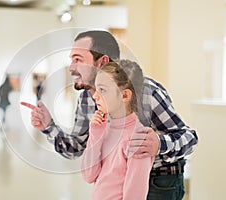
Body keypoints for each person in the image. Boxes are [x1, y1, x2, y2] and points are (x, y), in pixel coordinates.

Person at [21, 30, 198, 199]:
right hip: (116, 182)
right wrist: (48, 126)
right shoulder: (87, 98)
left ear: (101, 62)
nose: (71, 68)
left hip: (160, 181)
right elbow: (76, 147)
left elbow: (189, 138)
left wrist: (159, 144)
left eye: (78, 59)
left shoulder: (146, 91)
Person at [81, 60, 154, 200]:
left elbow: (135, 196)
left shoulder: (138, 139)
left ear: (125, 96)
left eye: (102, 90)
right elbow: (89, 175)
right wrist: (95, 135)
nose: (95, 95)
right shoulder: (104, 128)